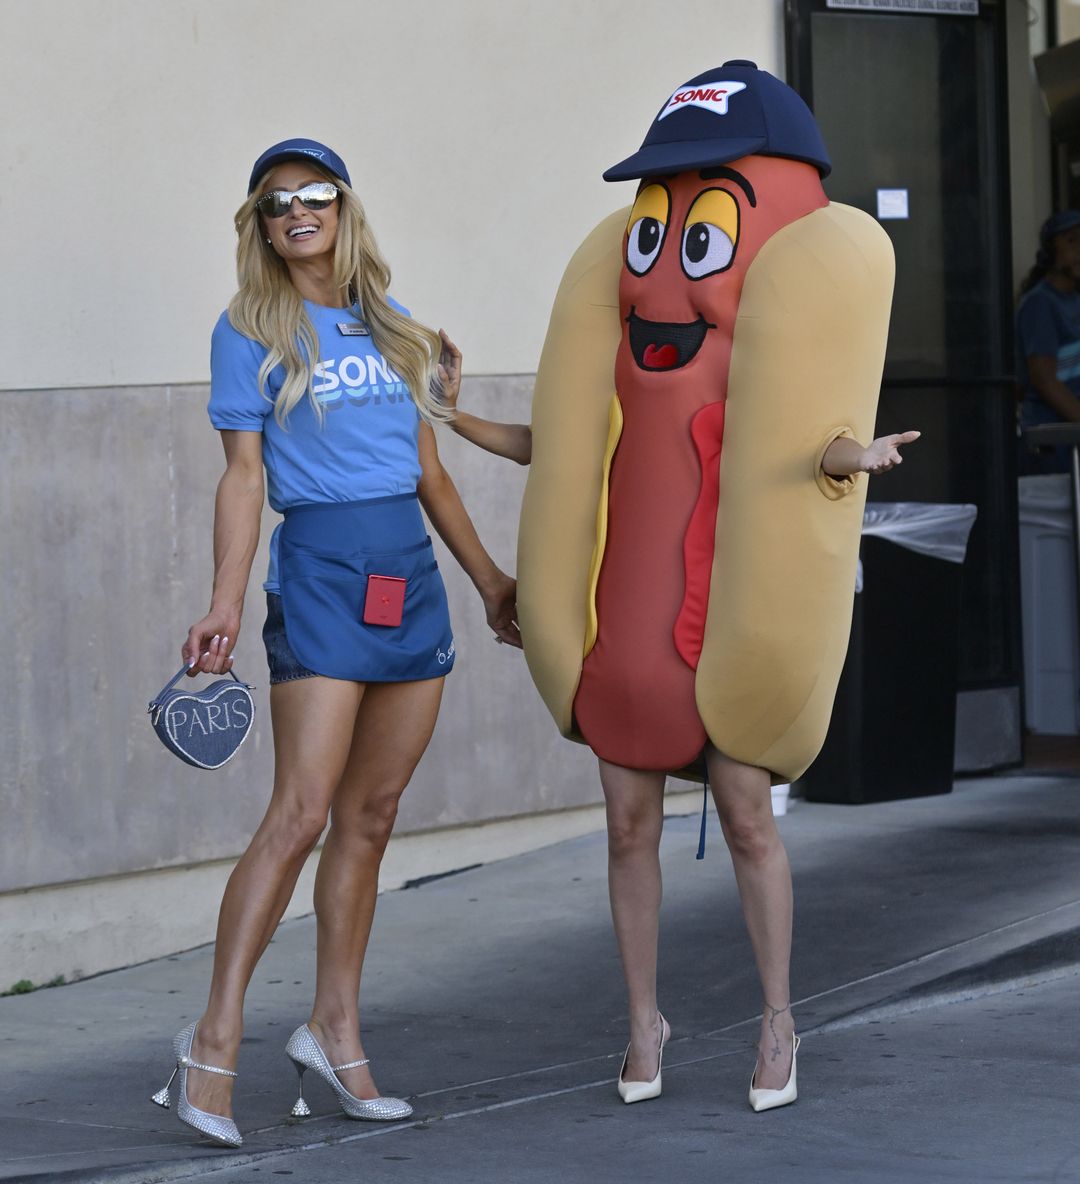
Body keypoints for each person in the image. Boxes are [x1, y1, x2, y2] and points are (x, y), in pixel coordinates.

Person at [436, 60, 918, 1115]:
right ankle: (642, 1021)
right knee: (626, 826)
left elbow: (805, 445)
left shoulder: (774, 334)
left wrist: (855, 457)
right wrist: (458, 417)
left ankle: (779, 1018)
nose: (663, 271)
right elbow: (556, 449)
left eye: (698, 231)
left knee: (748, 818)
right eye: (656, 227)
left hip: (725, 625)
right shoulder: (615, 346)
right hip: (628, 630)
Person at [152, 138, 518, 1148]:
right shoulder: (248, 328)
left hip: (412, 576)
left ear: (343, 209)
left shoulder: (394, 328)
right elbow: (242, 476)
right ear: (262, 226)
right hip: (319, 576)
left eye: (313, 195)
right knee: (302, 810)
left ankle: (335, 1031)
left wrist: (490, 584)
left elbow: (430, 471)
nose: (296, 211)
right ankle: (212, 1039)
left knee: (375, 810)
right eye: (277, 203)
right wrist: (224, 598)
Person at [1016, 209, 1080, 473]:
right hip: (1055, 440)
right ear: (1051, 252)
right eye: (1072, 241)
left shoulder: (1075, 298)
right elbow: (1045, 381)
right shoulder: (1040, 303)